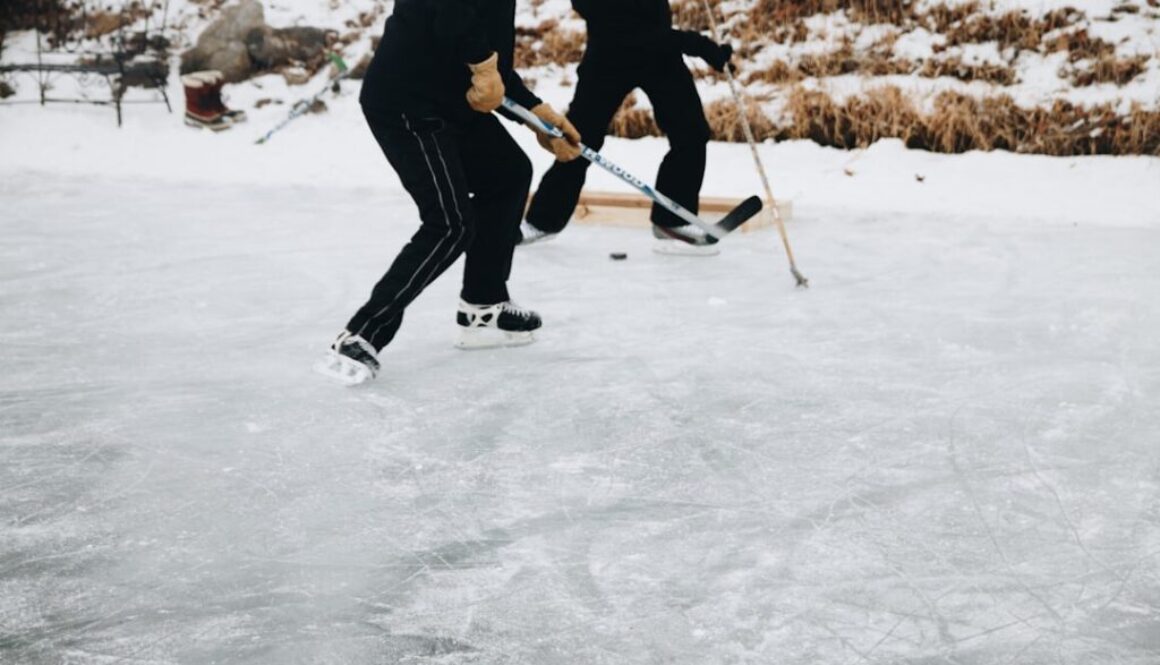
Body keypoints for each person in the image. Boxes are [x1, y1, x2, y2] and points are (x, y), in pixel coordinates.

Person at [316, 0, 582, 386]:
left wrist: (539, 116)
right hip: (406, 101)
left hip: (450, 103)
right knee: (450, 224)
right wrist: (483, 64)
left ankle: (483, 306)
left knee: (508, 174)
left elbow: (493, 67)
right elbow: (450, 16)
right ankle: (361, 334)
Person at [520, 0, 733, 255]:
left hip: (661, 54)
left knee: (691, 132)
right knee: (579, 141)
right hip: (610, 55)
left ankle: (673, 221)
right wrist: (696, 44)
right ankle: (541, 221)